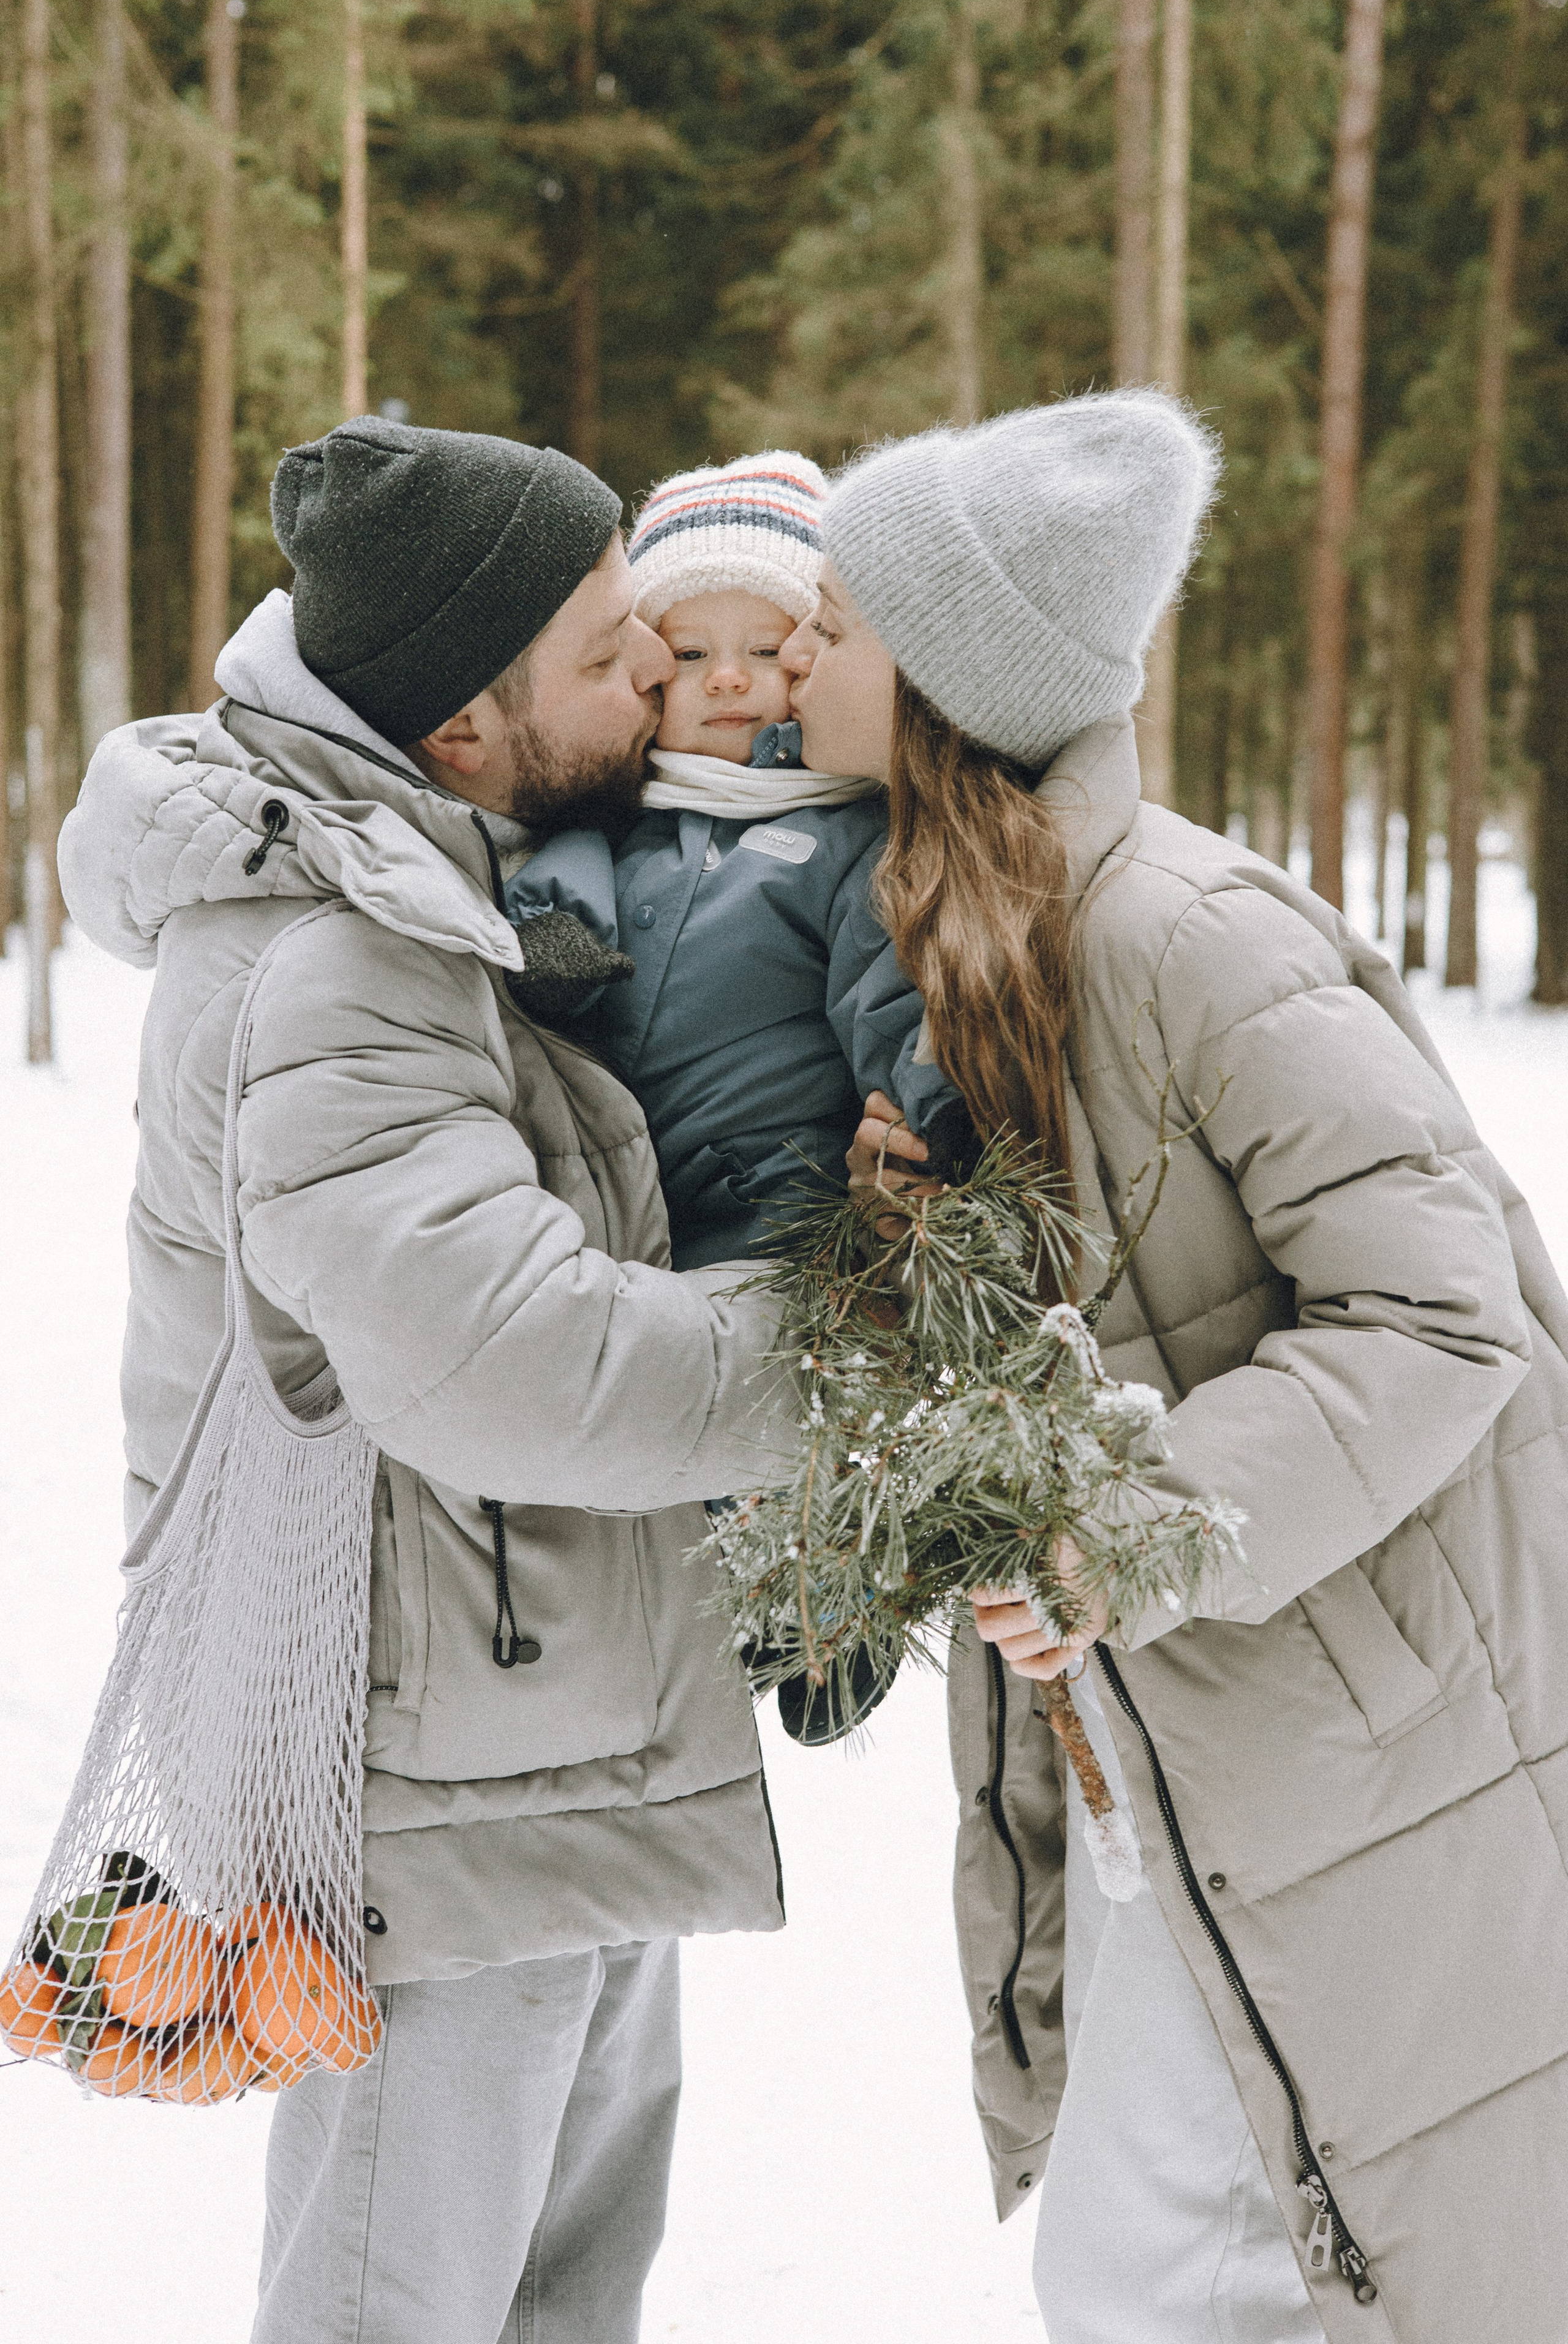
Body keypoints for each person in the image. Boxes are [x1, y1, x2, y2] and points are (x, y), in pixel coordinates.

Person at [778, 387, 1568, 2344]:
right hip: (1165, 1745)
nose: (790, 656)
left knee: (1191, 2280)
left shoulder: (1189, 937)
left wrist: (1125, 1529)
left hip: (1333, 1747)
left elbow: (1445, 1310)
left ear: (946, 681)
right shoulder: (979, 948)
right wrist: (914, 1230)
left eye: (833, 624)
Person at [57, 413, 799, 2344]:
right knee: (404, 2302)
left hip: (536, 1729)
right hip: (432, 1765)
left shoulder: (467, 894)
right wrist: (844, 1354)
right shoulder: (344, 956)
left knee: (555, 2291)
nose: (661, 679)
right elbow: (511, 1360)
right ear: (465, 723)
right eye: (609, 653)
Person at [503, 448, 961, 1275]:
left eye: (763, 650)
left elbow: (889, 992)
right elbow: (560, 858)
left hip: (769, 1223)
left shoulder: (844, 835)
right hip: (596, 1204)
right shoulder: (617, 803)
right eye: (689, 655)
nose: (725, 679)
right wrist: (553, 922)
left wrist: (926, 1119)